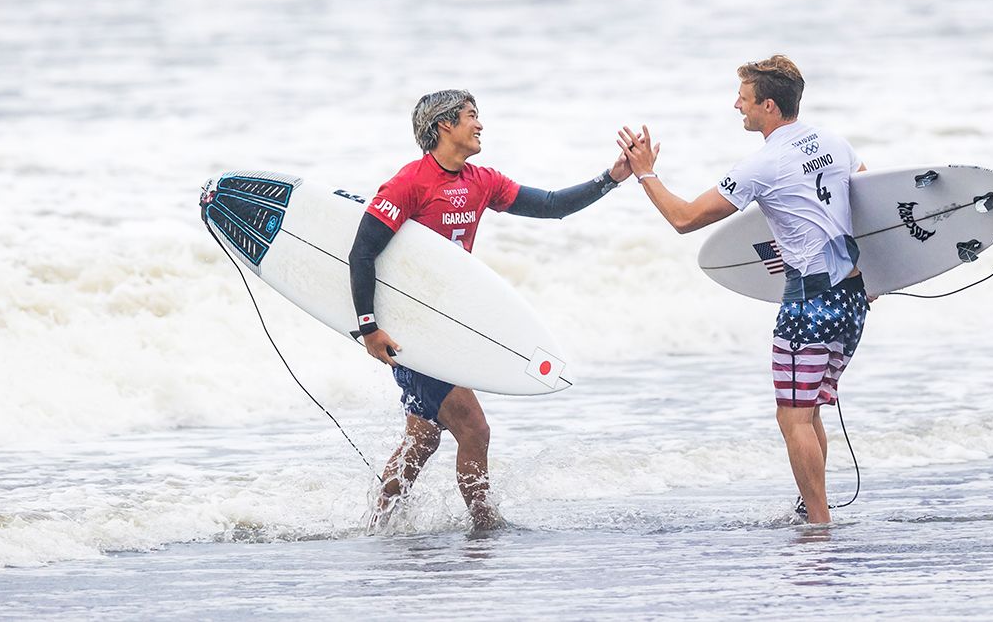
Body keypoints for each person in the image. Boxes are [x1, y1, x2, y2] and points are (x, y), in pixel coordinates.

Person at [349, 89, 635, 529]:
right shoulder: (409, 183)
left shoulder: (480, 181)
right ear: (444, 125)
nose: (479, 125)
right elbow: (362, 252)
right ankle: (485, 525)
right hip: (413, 331)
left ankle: (376, 526)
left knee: (423, 439)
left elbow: (552, 205)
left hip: (449, 327)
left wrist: (611, 178)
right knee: (474, 430)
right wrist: (369, 328)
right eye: (470, 116)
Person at [617, 55, 868, 524]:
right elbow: (871, 203)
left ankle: (819, 523)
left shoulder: (763, 164)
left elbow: (685, 218)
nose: (737, 106)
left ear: (769, 106)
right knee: (809, 408)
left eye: (745, 98)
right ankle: (815, 507)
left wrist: (645, 172)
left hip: (808, 304)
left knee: (792, 416)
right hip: (852, 300)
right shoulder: (836, 143)